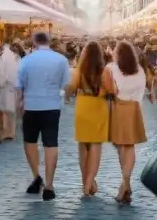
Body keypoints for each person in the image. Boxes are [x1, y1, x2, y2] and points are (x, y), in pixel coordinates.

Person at [16, 31, 71, 201]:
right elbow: (65, 84)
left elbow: (19, 85)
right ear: (49, 41)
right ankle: (49, 184)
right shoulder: (61, 60)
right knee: (50, 143)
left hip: (31, 105)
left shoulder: (25, 61)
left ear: (34, 42)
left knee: (30, 141)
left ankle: (36, 176)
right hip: (52, 105)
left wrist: (20, 104)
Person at [69, 40, 111, 197]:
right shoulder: (104, 70)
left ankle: (85, 181)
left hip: (83, 106)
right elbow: (110, 89)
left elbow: (71, 88)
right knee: (95, 146)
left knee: (82, 147)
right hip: (98, 107)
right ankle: (89, 184)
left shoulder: (79, 70)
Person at [108, 40, 147, 204]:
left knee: (121, 147)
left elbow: (112, 90)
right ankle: (126, 184)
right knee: (128, 147)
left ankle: (124, 185)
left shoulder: (112, 68)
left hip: (118, 108)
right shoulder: (140, 70)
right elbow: (142, 89)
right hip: (135, 108)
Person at [0, 41, 20, 141]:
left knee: (6, 110)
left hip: (6, 87)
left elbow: (2, 74)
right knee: (9, 110)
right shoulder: (11, 57)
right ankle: (10, 132)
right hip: (10, 87)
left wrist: (0, 83)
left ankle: (7, 132)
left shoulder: (5, 57)